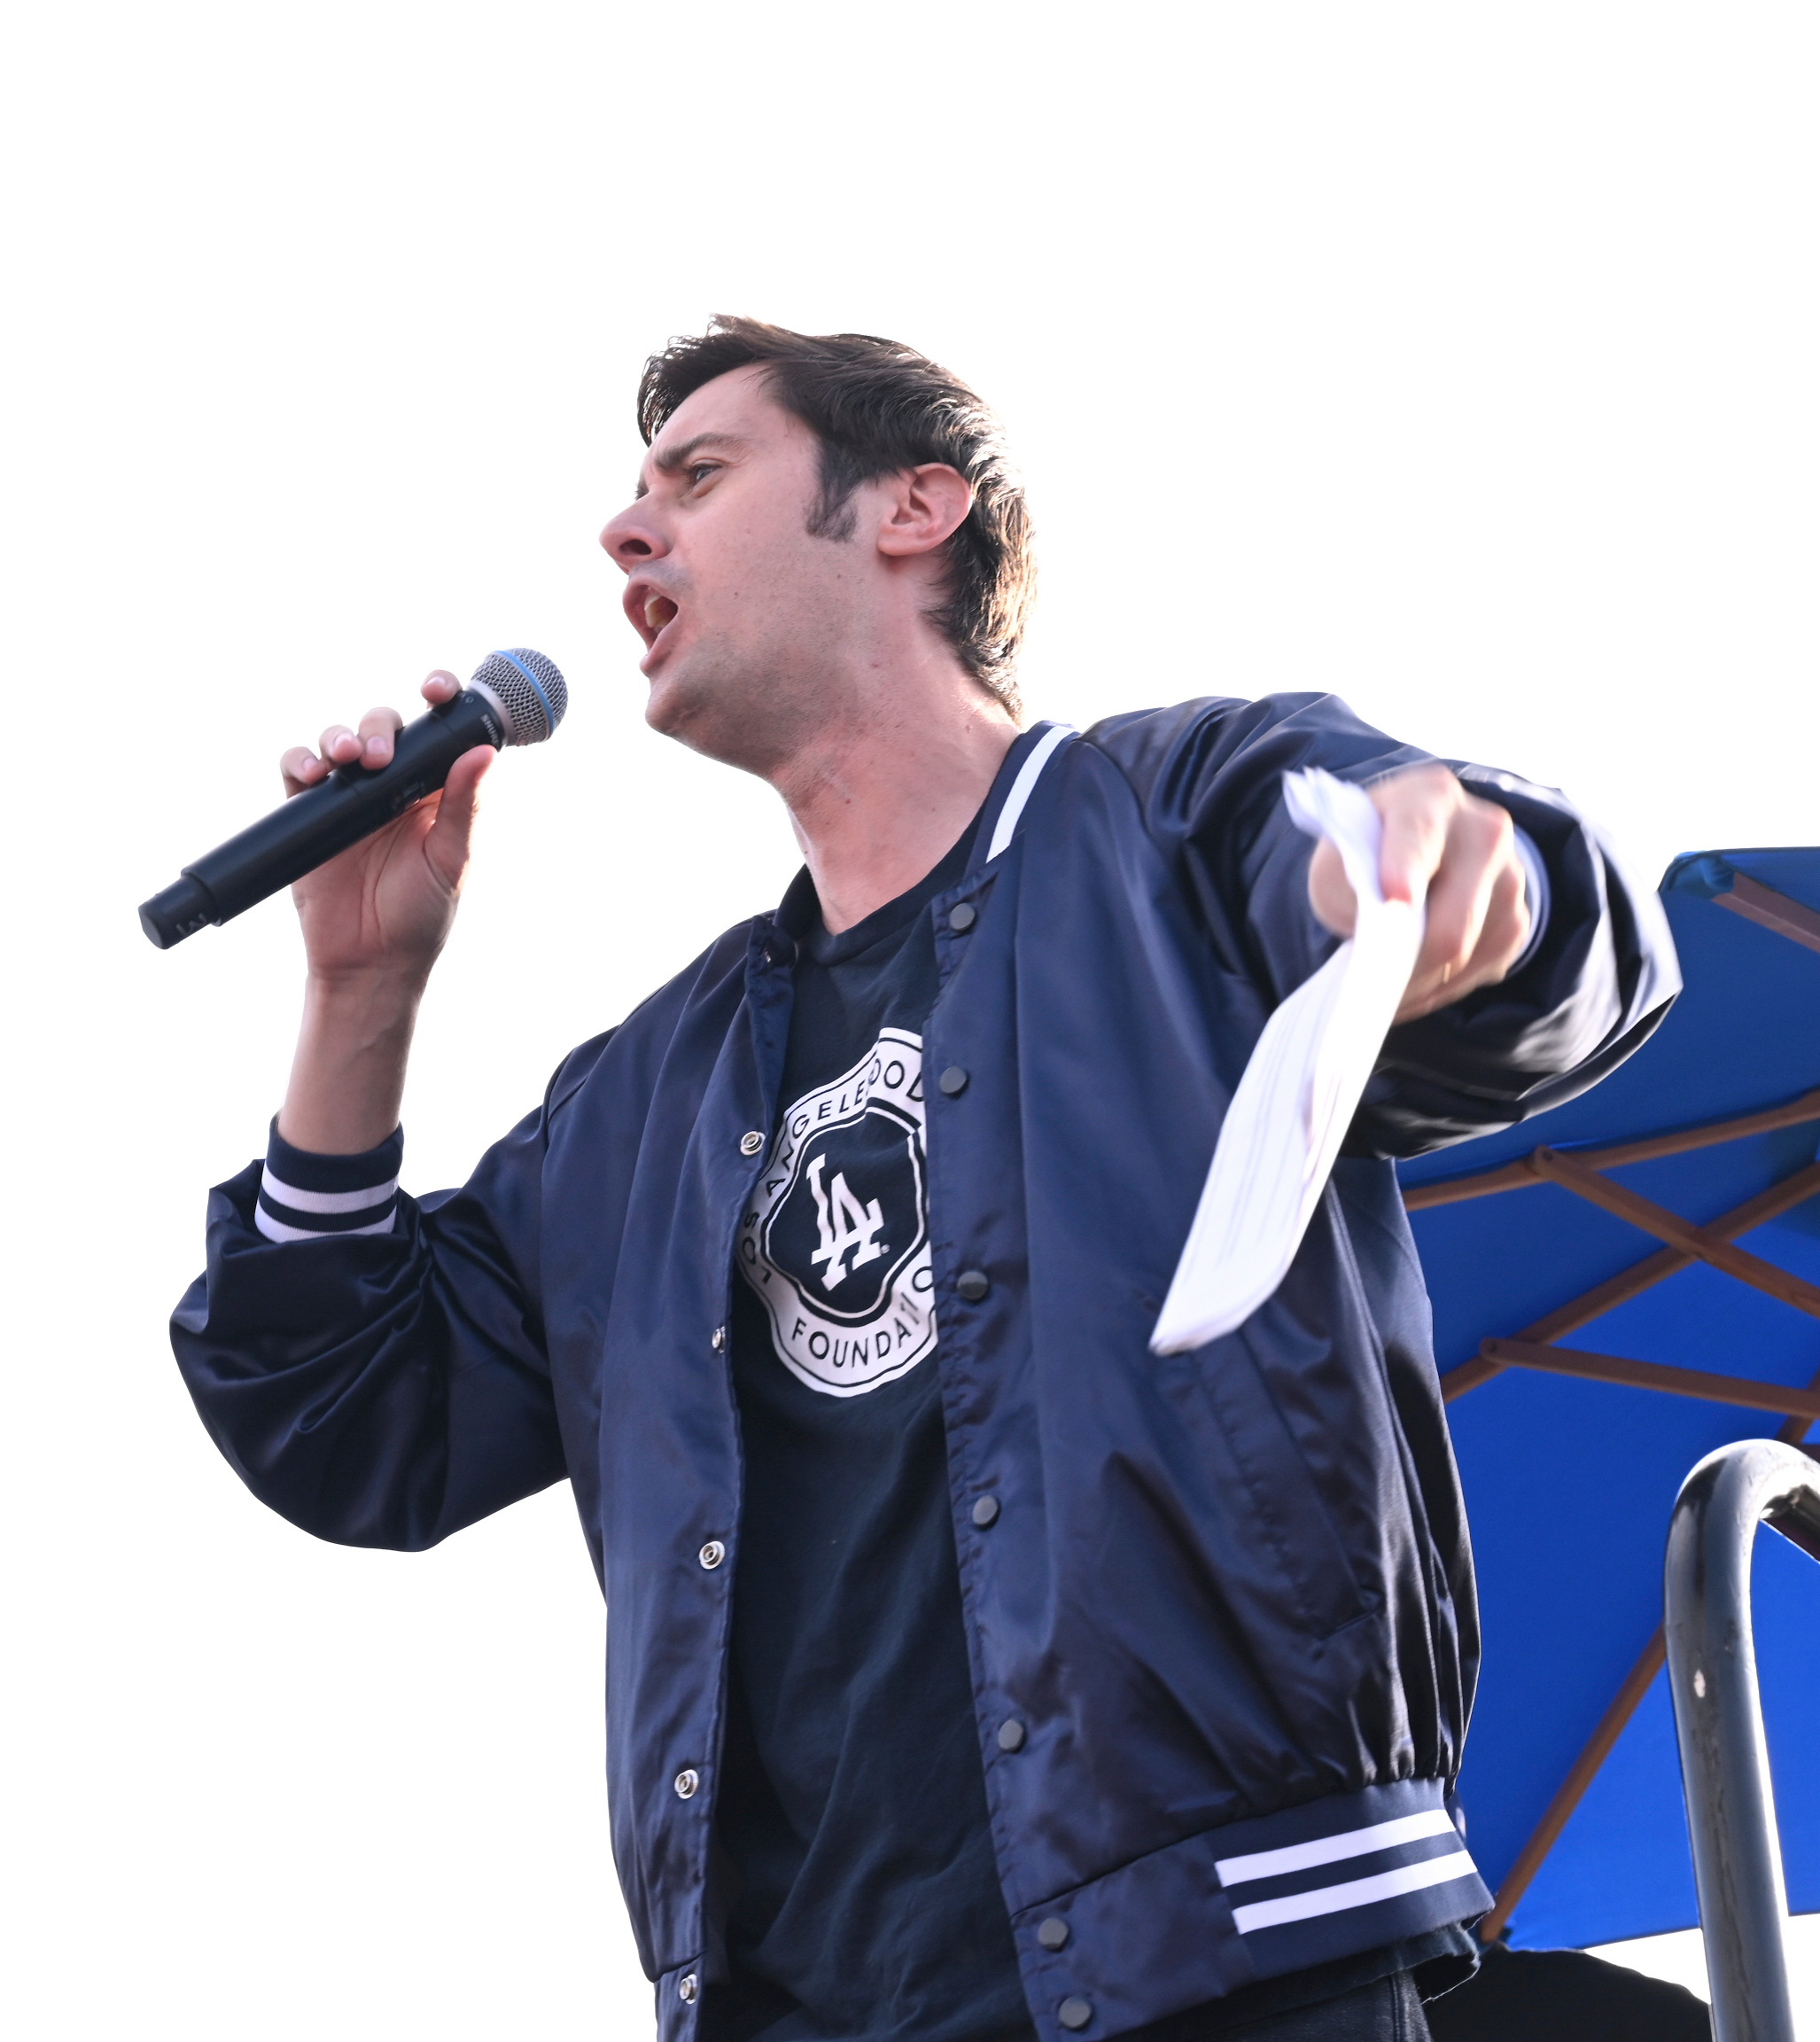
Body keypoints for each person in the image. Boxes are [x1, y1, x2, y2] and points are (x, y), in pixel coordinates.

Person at [172, 318, 1679, 2042]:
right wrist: (360, 990)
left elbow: (1513, 918)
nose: (625, 527)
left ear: (913, 506)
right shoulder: (648, 1098)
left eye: (697, 475)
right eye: (636, 491)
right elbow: (347, 1406)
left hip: (1224, 1964)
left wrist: (1481, 889)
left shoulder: (1168, 822)